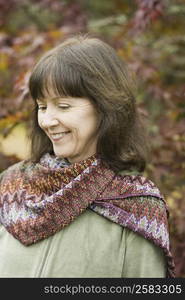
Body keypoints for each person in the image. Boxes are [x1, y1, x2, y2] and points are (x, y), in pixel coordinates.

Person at [0, 34, 175, 278]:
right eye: (42, 106)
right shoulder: (11, 187)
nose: (47, 121)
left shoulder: (138, 209)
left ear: (104, 107)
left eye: (63, 106)